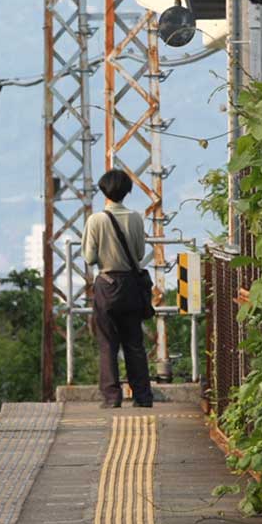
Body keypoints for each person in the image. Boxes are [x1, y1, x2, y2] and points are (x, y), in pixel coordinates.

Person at [82, 168, 153, 409]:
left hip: (107, 285)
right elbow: (141, 254)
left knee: (108, 344)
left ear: (104, 190)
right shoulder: (135, 218)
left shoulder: (96, 220)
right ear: (127, 192)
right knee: (134, 343)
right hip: (131, 286)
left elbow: (89, 257)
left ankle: (112, 397)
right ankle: (142, 396)